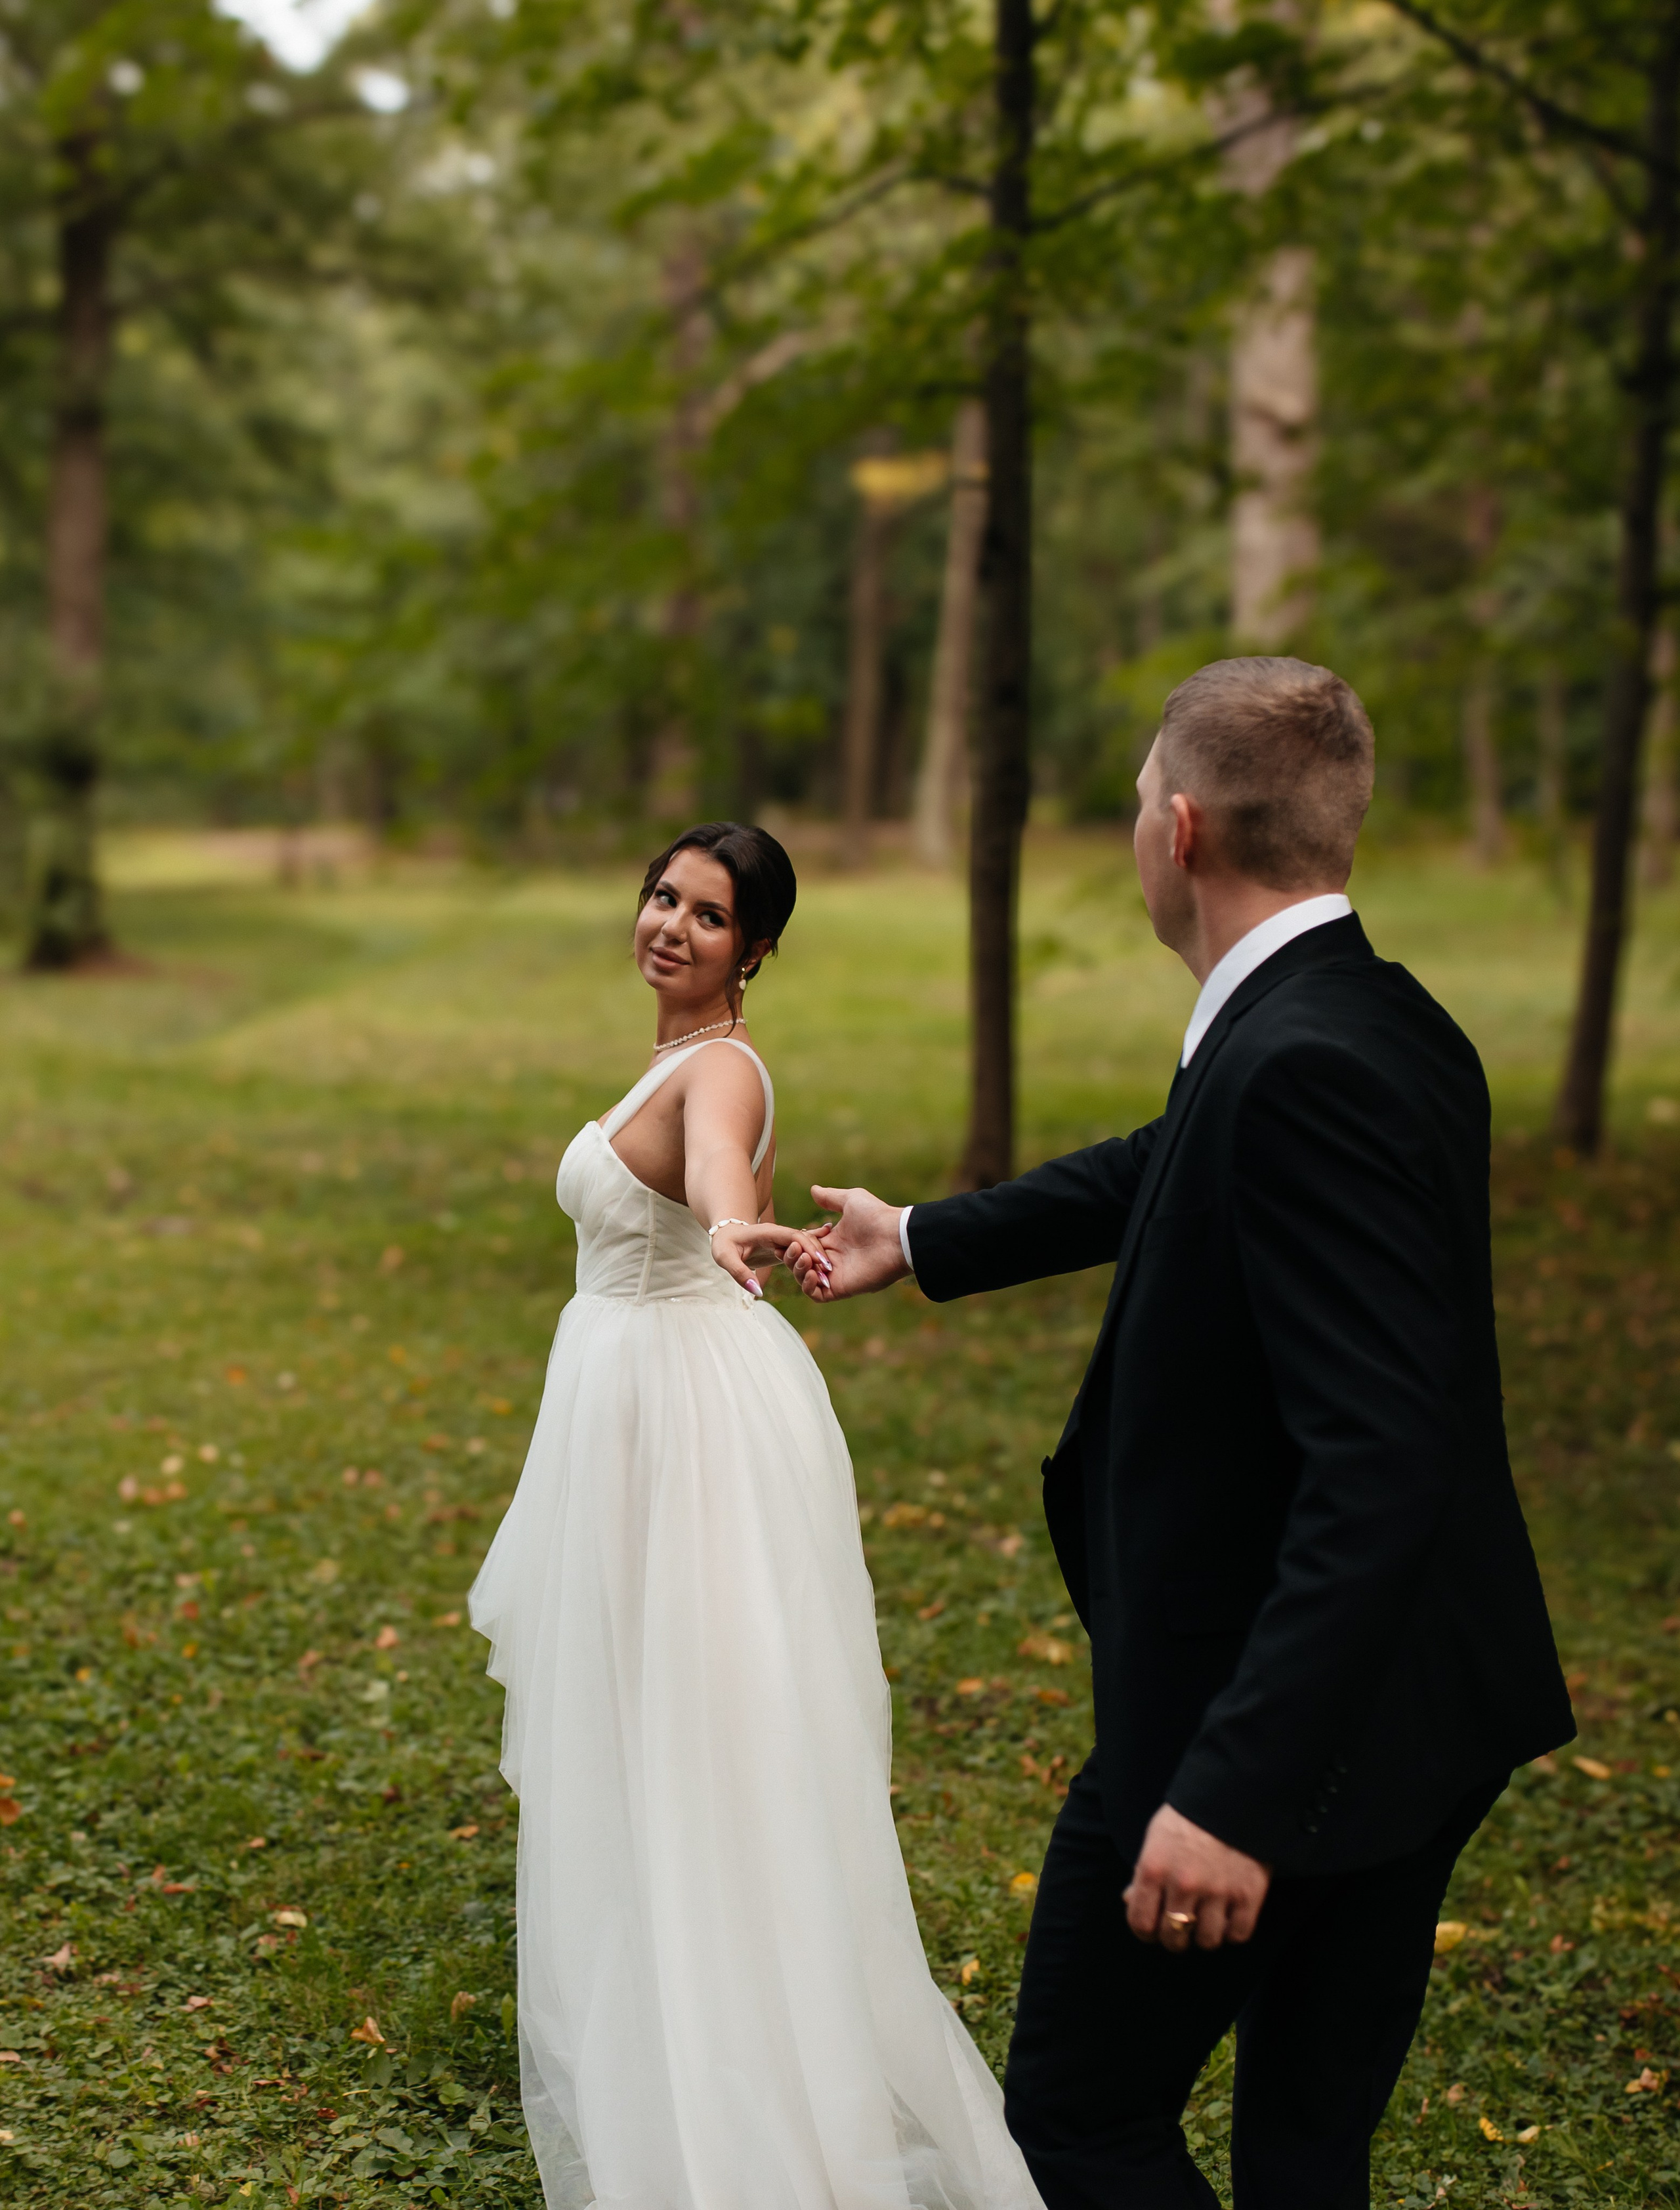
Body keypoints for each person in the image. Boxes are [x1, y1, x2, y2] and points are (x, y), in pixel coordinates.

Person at [791, 660, 1575, 2210]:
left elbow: (1379, 1463)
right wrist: (929, 1236)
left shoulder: (1297, 1061)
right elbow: (1180, 1157)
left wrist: (1231, 1793)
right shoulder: (1368, 1015)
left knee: (1077, 2117)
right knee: (1302, 2146)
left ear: (1182, 830)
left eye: (1143, 797)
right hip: (1417, 1700)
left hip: (1264, 1724)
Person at [469, 820, 1044, 2210]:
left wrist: (733, 1226)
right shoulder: (676, 1055)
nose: (669, 923)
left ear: (755, 951)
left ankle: (736, 2086)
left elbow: (722, 1164)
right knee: (645, 1727)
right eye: (661, 894)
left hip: (676, 1417)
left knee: (695, 1740)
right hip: (641, 1399)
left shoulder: (716, 1068)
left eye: (708, 915)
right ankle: (665, 2018)